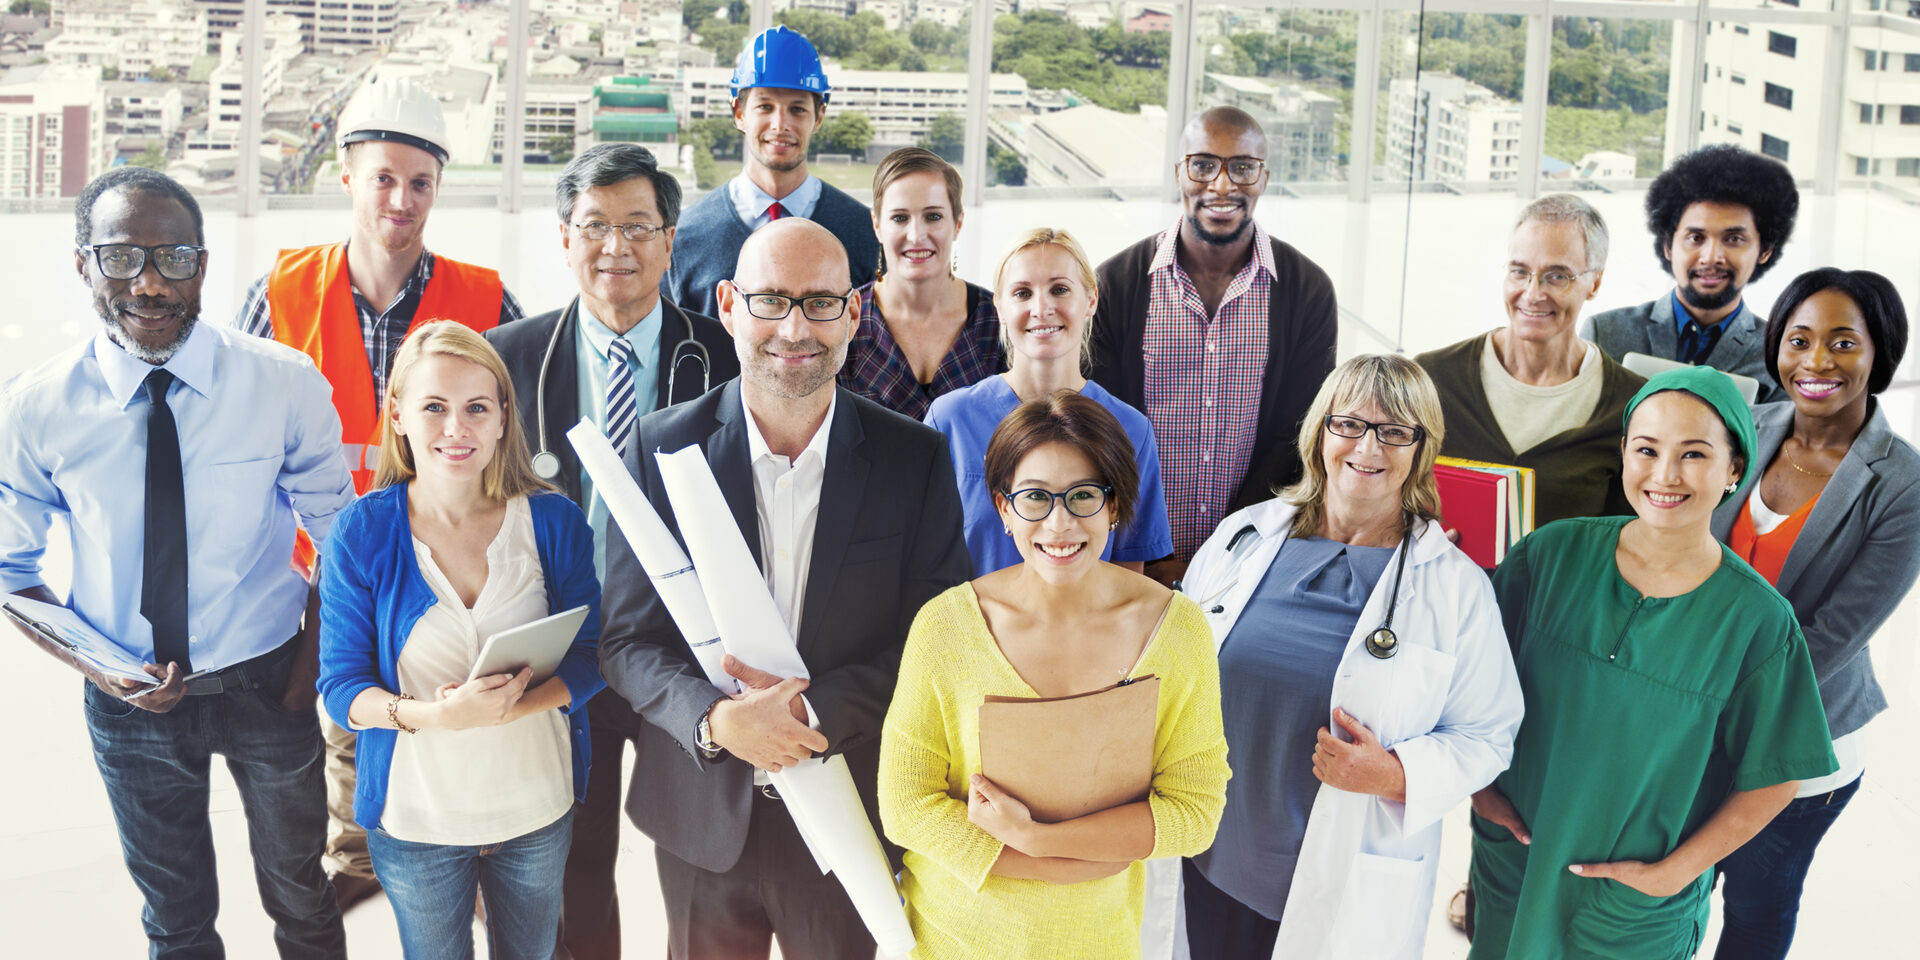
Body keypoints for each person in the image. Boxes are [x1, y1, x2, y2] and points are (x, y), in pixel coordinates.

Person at [0, 167, 352, 958]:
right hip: (128, 704)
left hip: (271, 682)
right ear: (84, 264)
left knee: (303, 897)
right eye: (122, 258)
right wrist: (98, 670)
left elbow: (343, 540)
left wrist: (305, 677)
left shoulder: (282, 382)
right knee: (175, 916)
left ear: (203, 264)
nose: (151, 284)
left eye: (174, 258)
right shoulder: (35, 407)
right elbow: (10, 571)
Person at [598, 218, 971, 959]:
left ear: (854, 311)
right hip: (702, 816)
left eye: (820, 302)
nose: (795, 329)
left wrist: (807, 712)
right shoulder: (657, 445)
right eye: (770, 300)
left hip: (849, 809)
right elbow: (627, 642)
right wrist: (714, 721)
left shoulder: (917, 458)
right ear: (729, 305)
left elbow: (934, 646)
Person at [236, 76, 525, 911]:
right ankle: (362, 863)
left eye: (420, 182)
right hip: (324, 564)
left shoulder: (485, 299)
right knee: (350, 722)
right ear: (346, 177)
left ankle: (469, 869)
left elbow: (520, 424)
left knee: (459, 719)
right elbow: (237, 439)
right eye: (384, 178)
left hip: (452, 556)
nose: (402, 199)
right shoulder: (281, 292)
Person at [1467, 366, 1838, 960]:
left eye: (1694, 454)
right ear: (1623, 453)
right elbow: (1472, 677)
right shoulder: (1550, 556)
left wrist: (1678, 872)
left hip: (1631, 911)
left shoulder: (1758, 622)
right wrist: (1481, 788)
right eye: (1647, 449)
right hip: (1517, 863)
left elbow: (1778, 773)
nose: (1666, 475)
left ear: (1734, 469)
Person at [1171, 354, 1523, 960]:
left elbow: (1488, 735)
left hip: (1343, 884)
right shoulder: (1242, 537)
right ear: (1321, 431)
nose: (1368, 446)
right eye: (1350, 424)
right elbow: (1177, 668)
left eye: (1395, 431)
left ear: (1420, 449)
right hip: (1210, 860)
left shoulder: (1454, 586)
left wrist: (1396, 774)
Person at [485, 142, 738, 960]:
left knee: (701, 868)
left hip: (687, 654)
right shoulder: (508, 358)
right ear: (564, 237)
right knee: (574, 870)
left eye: (637, 226)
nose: (615, 247)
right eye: (594, 225)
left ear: (670, 241)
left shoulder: (729, 354)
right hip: (564, 648)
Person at [879, 390, 1230, 959]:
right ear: (1004, 509)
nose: (1059, 523)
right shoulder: (945, 626)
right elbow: (906, 805)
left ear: (1115, 506)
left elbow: (1194, 813)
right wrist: (1049, 863)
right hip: (952, 940)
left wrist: (1040, 839)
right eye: (1035, 497)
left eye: (1084, 495)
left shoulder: (1177, 630)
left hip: (1100, 943)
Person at [316, 322, 604, 960]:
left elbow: (592, 657)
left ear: (503, 417)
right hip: (417, 819)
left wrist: (513, 707)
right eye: (434, 407)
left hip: (536, 805)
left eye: (477, 408)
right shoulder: (361, 532)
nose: (457, 428)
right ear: (398, 416)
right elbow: (341, 689)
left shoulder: (553, 521)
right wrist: (439, 717)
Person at [1708, 269, 1917, 959]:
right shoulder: (1746, 427)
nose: (1817, 361)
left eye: (1843, 343)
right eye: (1799, 340)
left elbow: (1833, 637)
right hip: (1696, 720)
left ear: (1880, 352)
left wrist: (1697, 689)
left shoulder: (1903, 483)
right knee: (1675, 889)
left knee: (1756, 908)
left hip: (1802, 740)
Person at [1089, 105, 1338, 586]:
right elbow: (1102, 431)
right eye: (1203, 165)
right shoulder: (1115, 285)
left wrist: (1226, 556)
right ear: (1178, 173)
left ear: (1263, 178)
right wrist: (1145, 552)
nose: (1222, 185)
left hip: (1250, 565)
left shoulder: (1307, 291)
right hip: (1130, 562)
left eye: (1242, 167)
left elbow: (1297, 440)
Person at [927, 227, 1171, 576]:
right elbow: (921, 556)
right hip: (970, 613)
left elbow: (1128, 576)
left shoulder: (1131, 430)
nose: (1041, 308)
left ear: (1091, 300)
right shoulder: (950, 419)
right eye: (1022, 293)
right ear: (1000, 308)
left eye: (1059, 289)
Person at [1416, 193, 1646, 527]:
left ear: (1595, 282)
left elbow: (1630, 536)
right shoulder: (1431, 378)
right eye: (1519, 271)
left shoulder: (1632, 405)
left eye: (1557, 276)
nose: (1533, 293)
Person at [663, 26, 881, 319]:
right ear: (739, 114)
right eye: (765, 107)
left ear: (819, 117)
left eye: (797, 109)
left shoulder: (865, 233)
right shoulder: (686, 237)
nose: (780, 124)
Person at [1582, 144, 1799, 404]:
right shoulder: (1604, 334)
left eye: (1733, 239)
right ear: (1668, 246)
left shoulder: (1779, 355)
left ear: (1764, 251)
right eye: (1696, 237)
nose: (1711, 256)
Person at [839, 147, 1003, 420]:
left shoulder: (999, 320)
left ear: (958, 223)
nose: (916, 236)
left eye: (933, 217)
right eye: (900, 218)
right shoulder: (843, 320)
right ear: (877, 225)